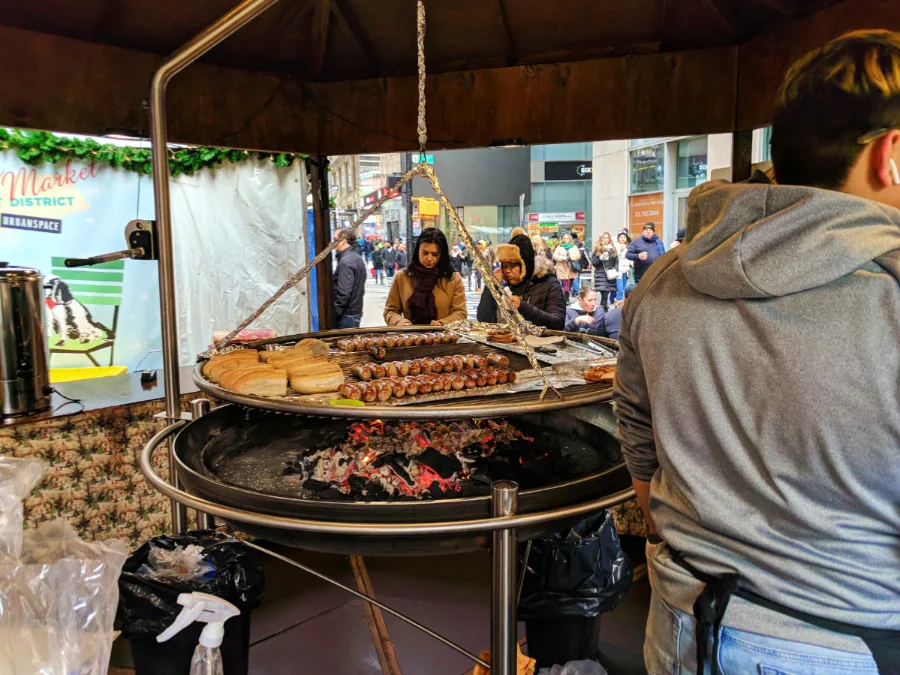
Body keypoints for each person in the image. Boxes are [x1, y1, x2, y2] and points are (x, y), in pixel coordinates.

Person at [614, 30, 900, 675]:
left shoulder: (664, 278)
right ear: (893, 154)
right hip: (850, 640)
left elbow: (638, 437)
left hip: (683, 621)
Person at [476, 234, 566, 330]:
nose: (507, 270)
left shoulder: (549, 284)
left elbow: (558, 323)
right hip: (505, 342)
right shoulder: (503, 286)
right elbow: (483, 320)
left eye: (513, 265)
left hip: (540, 343)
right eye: (505, 266)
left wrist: (523, 307)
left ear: (525, 265)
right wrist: (491, 287)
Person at [384, 227, 467, 326]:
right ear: (417, 250)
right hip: (409, 338)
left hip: (444, 338)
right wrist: (402, 323)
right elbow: (390, 311)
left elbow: (460, 313)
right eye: (425, 253)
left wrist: (442, 324)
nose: (429, 258)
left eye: (435, 254)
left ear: (441, 254)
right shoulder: (402, 277)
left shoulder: (453, 279)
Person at [331, 228, 367, 329]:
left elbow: (344, 292)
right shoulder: (354, 257)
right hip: (353, 312)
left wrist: (335, 312)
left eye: (335, 240)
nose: (333, 243)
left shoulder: (346, 262)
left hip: (347, 315)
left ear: (343, 241)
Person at [590, 232, 618, 309]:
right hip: (601, 274)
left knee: (607, 292)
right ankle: (604, 308)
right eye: (604, 238)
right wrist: (601, 258)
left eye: (607, 237)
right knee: (604, 293)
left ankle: (603, 308)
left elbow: (616, 261)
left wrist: (615, 270)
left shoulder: (613, 249)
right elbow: (594, 263)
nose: (606, 239)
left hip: (611, 274)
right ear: (601, 239)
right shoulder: (597, 250)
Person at [552, 233, 581, 297]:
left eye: (567, 238)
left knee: (570, 282)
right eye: (564, 238)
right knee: (565, 282)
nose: (566, 239)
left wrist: (571, 258)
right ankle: (566, 298)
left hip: (571, 268)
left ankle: (566, 293)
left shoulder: (574, 247)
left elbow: (578, 255)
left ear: (570, 239)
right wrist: (563, 258)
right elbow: (555, 256)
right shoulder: (559, 247)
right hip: (562, 267)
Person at [614, 230, 632, 302]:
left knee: (624, 289)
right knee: (620, 289)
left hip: (626, 271)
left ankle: (622, 303)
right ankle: (619, 303)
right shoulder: (615, 246)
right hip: (619, 271)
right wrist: (620, 251)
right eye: (621, 237)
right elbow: (615, 257)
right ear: (618, 238)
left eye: (624, 237)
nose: (623, 239)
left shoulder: (628, 247)